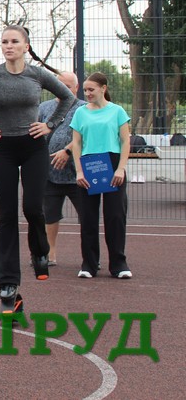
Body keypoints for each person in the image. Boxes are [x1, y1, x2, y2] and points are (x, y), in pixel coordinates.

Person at [0, 25, 75, 307]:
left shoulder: (37, 75)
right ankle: (8, 282)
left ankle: (40, 252)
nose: (8, 46)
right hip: (3, 149)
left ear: (26, 46)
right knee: (7, 214)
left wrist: (50, 125)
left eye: (14, 41)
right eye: (4, 42)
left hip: (34, 147)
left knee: (33, 208)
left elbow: (68, 98)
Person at [71, 72, 132, 279]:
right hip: (89, 164)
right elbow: (76, 143)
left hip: (113, 163)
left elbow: (125, 141)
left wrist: (121, 168)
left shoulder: (118, 111)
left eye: (91, 89)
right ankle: (89, 264)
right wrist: (79, 170)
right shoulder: (80, 113)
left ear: (103, 88)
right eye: (85, 90)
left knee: (115, 216)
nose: (87, 93)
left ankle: (119, 264)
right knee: (88, 216)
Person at [38, 71, 86, 266]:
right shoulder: (44, 107)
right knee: (49, 216)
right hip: (49, 173)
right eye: (59, 86)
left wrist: (67, 151)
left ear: (76, 87)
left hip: (79, 174)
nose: (62, 90)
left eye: (67, 87)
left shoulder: (84, 109)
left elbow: (86, 135)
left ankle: (90, 256)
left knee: (87, 216)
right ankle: (49, 254)